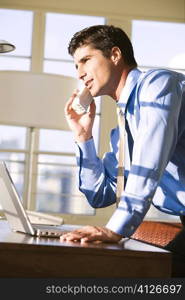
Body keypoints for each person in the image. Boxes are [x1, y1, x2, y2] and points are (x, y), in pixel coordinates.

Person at [60, 25, 185, 244]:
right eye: (76, 65)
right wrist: (83, 136)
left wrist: (116, 229)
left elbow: (149, 162)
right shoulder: (122, 134)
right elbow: (100, 195)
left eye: (86, 60)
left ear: (115, 55)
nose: (79, 73)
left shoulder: (158, 86)